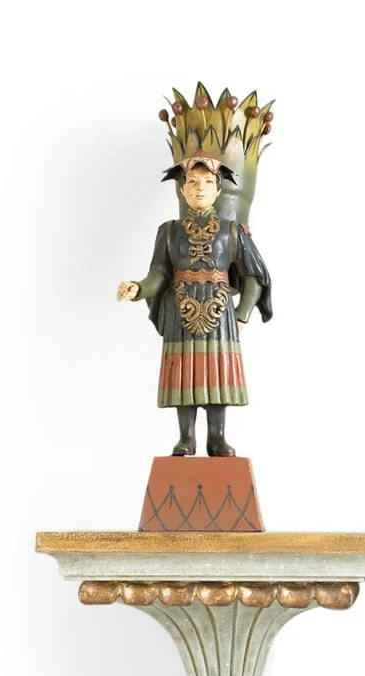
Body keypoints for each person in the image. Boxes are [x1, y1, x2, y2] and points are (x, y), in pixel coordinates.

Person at [117, 153, 271, 456]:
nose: (200, 188)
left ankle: (217, 438)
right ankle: (186, 437)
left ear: (218, 190)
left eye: (208, 182)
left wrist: (242, 315)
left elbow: (254, 275)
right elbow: (160, 274)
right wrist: (139, 289)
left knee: (217, 374)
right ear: (183, 189)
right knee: (183, 374)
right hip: (180, 308)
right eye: (193, 182)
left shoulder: (232, 230)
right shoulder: (168, 231)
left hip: (219, 310)